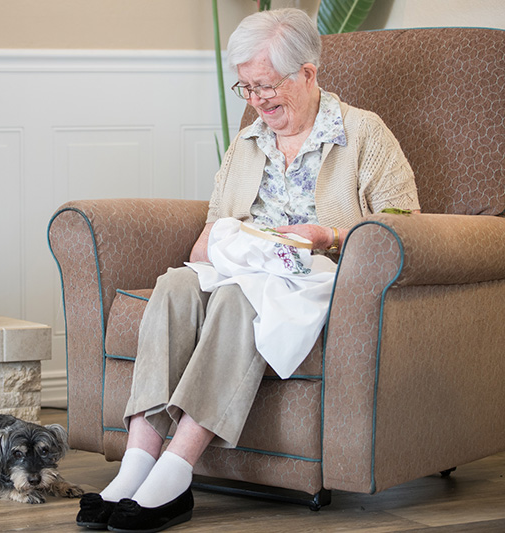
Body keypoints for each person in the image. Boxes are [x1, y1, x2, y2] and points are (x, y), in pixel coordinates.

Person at [76, 8, 420, 532]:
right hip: (243, 265)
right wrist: (208, 254)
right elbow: (215, 224)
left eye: (266, 85)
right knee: (175, 286)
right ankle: (136, 464)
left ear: (307, 72)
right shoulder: (249, 140)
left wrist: (330, 235)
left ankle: (175, 472)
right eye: (247, 88)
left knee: (240, 301)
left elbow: (405, 224)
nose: (258, 101)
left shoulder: (363, 133)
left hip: (315, 274)